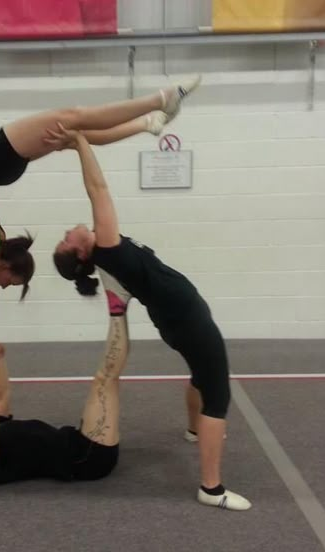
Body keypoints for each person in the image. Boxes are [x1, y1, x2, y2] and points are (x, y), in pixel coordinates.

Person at [48, 125, 251, 511]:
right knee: (218, 395)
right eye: (66, 239)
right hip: (186, 320)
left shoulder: (106, 253)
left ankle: (195, 430)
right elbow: (98, 190)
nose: (67, 231)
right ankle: (211, 489)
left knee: (201, 374)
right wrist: (79, 144)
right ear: (80, 253)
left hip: (179, 318)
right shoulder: (106, 247)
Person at [0, 75, 202, 376]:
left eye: (9, 282)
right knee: (73, 129)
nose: (3, 286)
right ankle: (148, 120)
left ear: (6, 266)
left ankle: (160, 103)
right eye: (11, 284)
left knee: (73, 120)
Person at [0, 272, 132, 485]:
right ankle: (118, 304)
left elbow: (0, 398)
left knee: (106, 381)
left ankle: (120, 303)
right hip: (86, 459)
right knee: (106, 380)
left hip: (78, 440)